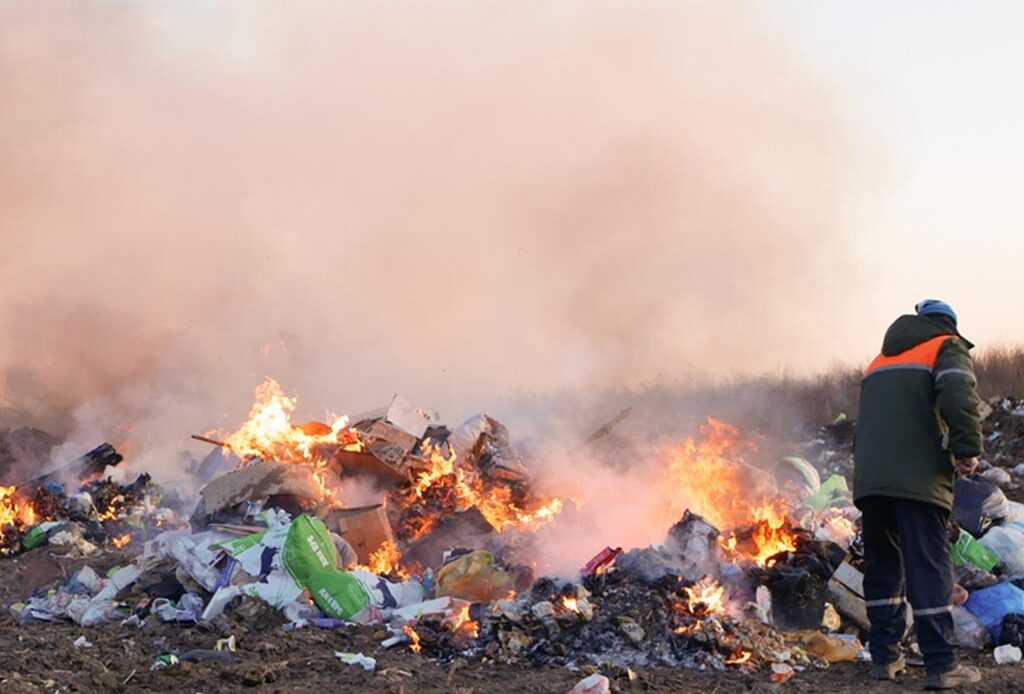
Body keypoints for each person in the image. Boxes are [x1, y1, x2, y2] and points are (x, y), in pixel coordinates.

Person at [853, 299, 983, 689]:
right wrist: (966, 449)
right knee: (928, 567)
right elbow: (958, 395)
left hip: (872, 482)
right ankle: (942, 665)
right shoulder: (945, 346)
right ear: (949, 327)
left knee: (883, 569)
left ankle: (885, 657)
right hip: (918, 481)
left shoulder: (878, 361)